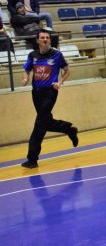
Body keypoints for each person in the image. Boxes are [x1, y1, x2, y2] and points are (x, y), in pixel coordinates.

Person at [20, 29, 78, 169]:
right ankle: (69, 130)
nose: (45, 39)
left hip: (50, 93)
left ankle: (32, 159)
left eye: (47, 37)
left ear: (50, 40)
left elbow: (67, 71)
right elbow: (27, 69)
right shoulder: (32, 55)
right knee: (45, 121)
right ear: (37, 40)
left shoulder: (57, 55)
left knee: (39, 122)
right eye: (42, 37)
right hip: (36, 93)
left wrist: (60, 82)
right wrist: (26, 77)